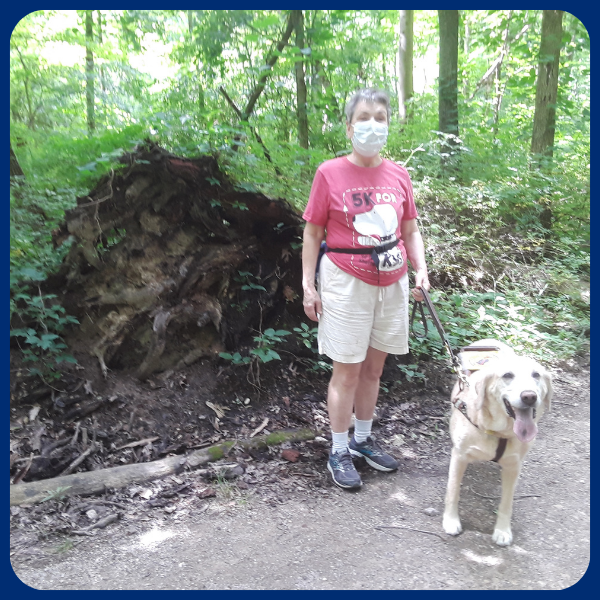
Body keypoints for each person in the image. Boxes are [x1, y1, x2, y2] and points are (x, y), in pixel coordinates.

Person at [301, 88, 430, 490]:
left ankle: (361, 442)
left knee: (374, 369)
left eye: (380, 116)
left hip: (391, 281)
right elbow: (312, 232)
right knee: (347, 370)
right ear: (349, 126)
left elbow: (409, 229)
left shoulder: (398, 175)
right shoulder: (330, 173)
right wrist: (308, 285)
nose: (373, 124)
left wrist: (421, 270)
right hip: (344, 280)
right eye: (364, 117)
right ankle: (338, 450)